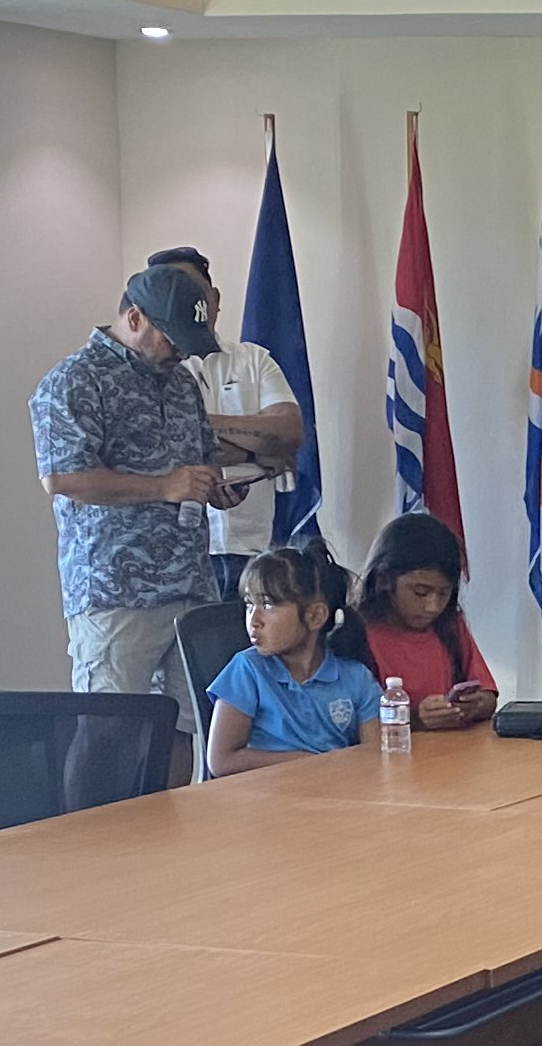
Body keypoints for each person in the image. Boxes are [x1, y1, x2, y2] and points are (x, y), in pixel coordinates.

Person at [34, 260, 237, 731]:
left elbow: (202, 458)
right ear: (134, 319)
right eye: (173, 341)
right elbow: (64, 477)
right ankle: (95, 811)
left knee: (187, 730)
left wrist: (215, 487)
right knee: (110, 735)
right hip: (117, 592)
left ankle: (173, 810)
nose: (180, 355)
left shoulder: (183, 383)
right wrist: (165, 486)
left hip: (190, 587)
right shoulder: (75, 380)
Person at [147, 244, 308, 587]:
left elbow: (289, 432)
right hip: (178, 552)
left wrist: (191, 421)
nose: (188, 303)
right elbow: (159, 453)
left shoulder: (254, 359)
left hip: (255, 551)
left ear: (215, 299)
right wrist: (257, 451)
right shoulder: (150, 369)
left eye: (195, 292)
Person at [205, 545, 378, 775]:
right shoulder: (247, 670)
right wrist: (303, 761)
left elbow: (374, 758)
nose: (253, 620)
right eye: (249, 604)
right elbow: (221, 761)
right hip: (268, 800)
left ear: (315, 616)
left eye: (267, 605)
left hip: (335, 796)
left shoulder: (356, 678)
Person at [353, 512, 498, 728]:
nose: (433, 607)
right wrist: (418, 718)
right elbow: (353, 723)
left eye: (444, 593)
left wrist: (475, 705)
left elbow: (489, 696)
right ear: (383, 579)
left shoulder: (449, 625)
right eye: (420, 592)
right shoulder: (356, 634)